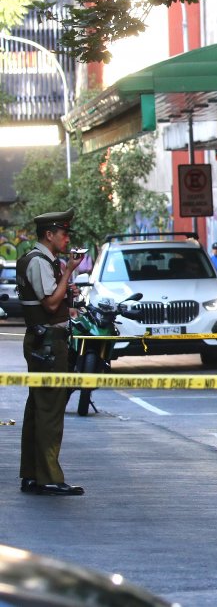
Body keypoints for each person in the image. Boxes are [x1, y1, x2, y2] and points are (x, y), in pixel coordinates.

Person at [17, 208, 84, 496]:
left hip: (44, 339)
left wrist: (68, 301)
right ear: (49, 234)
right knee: (49, 411)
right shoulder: (40, 261)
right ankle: (48, 477)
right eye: (64, 233)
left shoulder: (43, 260)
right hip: (47, 344)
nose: (67, 238)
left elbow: (54, 305)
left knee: (38, 407)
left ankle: (32, 474)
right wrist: (68, 272)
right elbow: (49, 304)